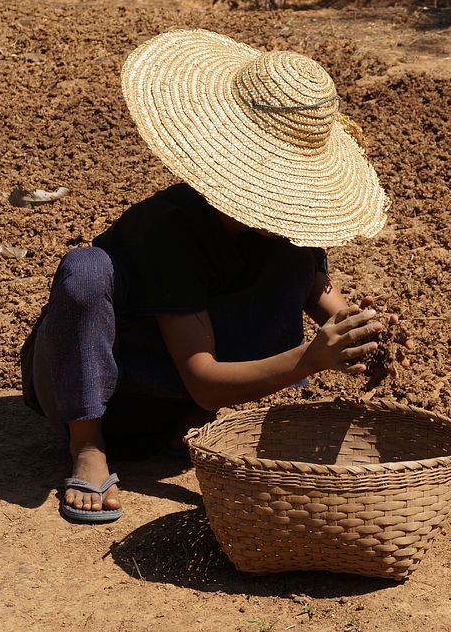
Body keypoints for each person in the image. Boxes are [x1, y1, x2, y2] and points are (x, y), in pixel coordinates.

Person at [21, 29, 393, 523]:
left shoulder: (285, 229)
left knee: (288, 255)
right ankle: (87, 445)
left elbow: (320, 290)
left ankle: (188, 430)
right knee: (85, 270)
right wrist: (311, 357)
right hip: (108, 394)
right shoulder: (167, 231)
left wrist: (363, 334)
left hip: (177, 403)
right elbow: (205, 380)